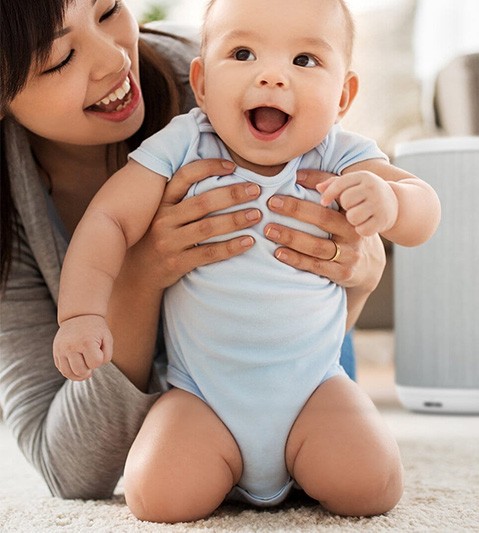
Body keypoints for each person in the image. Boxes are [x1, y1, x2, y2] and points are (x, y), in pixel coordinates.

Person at [53, 0, 440, 523]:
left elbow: (423, 211)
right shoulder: (184, 144)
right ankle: (224, 466)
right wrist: (80, 315)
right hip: (201, 398)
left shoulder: (339, 154)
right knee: (158, 498)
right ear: (204, 82)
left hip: (314, 390)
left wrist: (392, 201)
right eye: (242, 53)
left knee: (371, 487)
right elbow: (108, 222)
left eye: (304, 61)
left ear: (344, 95)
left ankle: (302, 461)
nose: (273, 77)